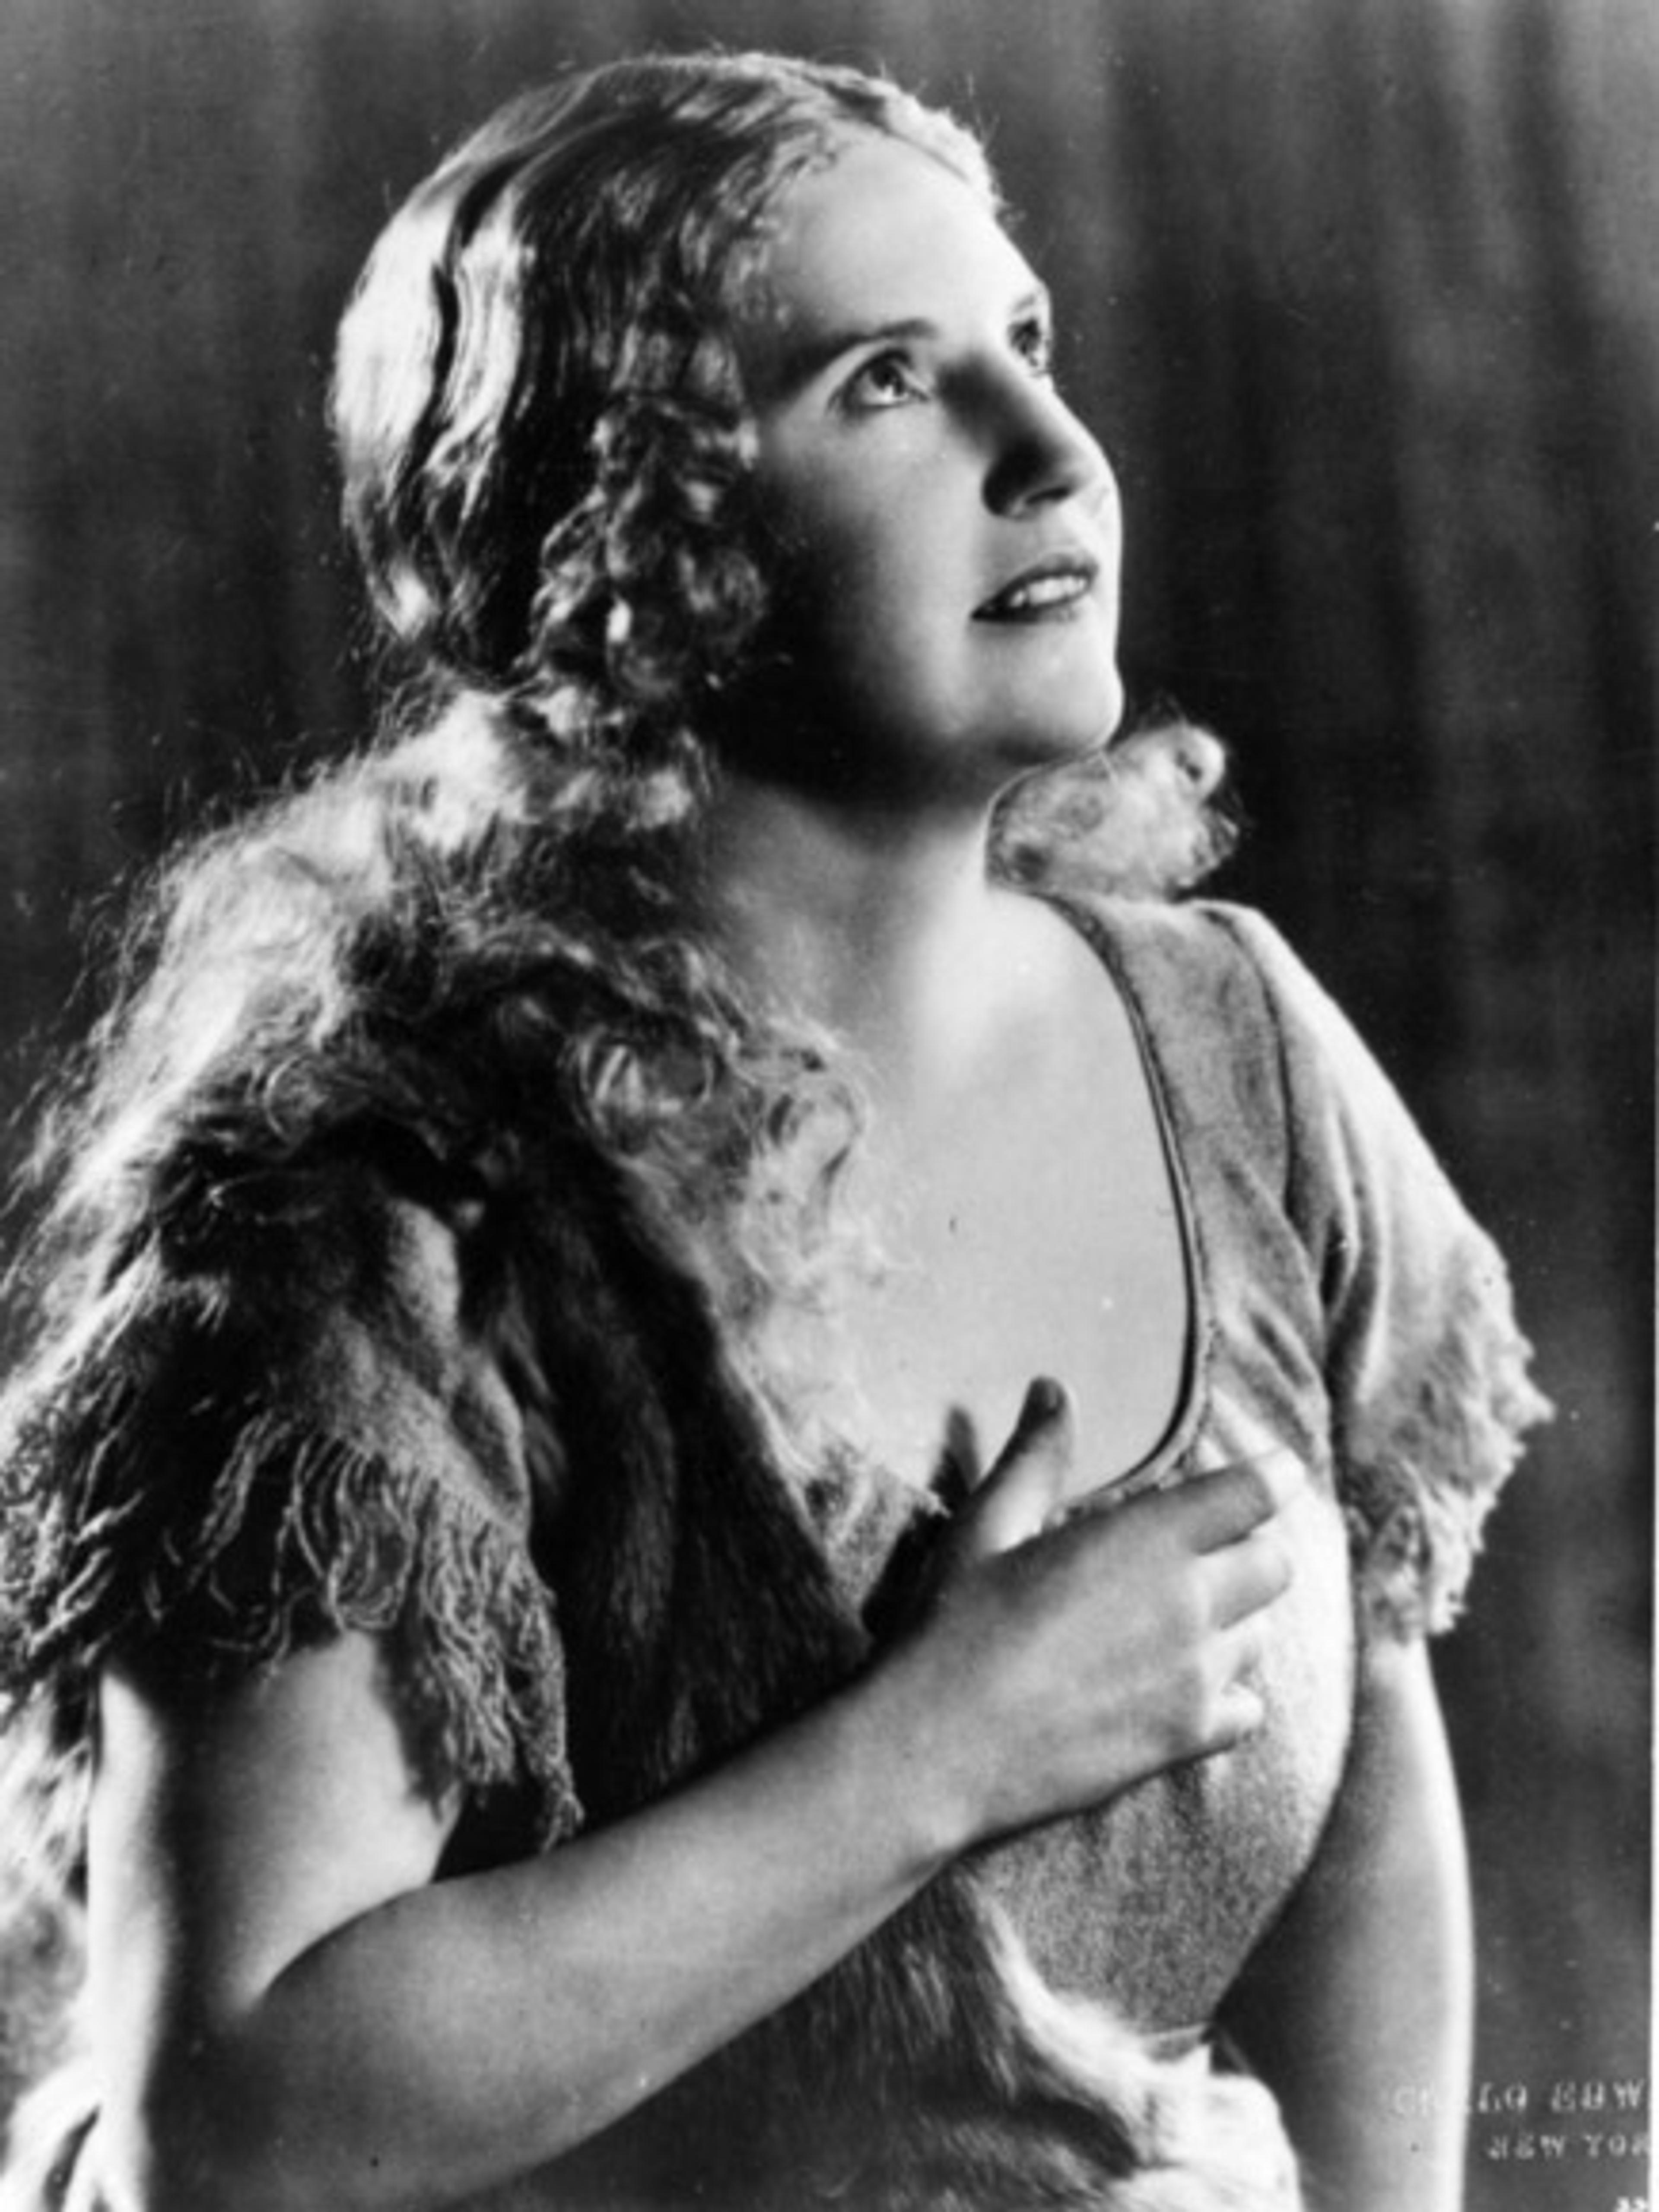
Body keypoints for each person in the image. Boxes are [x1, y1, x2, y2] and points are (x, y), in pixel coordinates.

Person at [0, 50, 1548, 2212]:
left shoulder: (1235, 1044)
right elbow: (236, 2127)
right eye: (885, 383)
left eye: (1025, 343)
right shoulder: (366, 1206)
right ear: (627, 546)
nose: (1054, 452)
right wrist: (935, 1754)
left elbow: (1370, 1804)